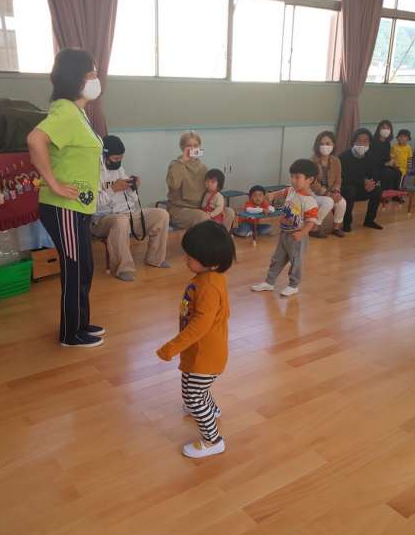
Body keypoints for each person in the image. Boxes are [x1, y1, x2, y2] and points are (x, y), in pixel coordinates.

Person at [27, 48, 104, 348]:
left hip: (78, 206)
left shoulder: (77, 112)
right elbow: (35, 139)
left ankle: (81, 323)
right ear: (76, 78)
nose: (96, 80)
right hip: (64, 208)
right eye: (91, 74)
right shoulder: (65, 111)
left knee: (84, 266)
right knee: (75, 268)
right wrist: (54, 183)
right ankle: (71, 334)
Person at [156, 221, 235, 459]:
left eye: (191, 257)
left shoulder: (209, 286)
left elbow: (200, 325)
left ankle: (213, 441)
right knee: (194, 389)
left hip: (205, 354)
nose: (186, 260)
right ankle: (211, 410)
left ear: (212, 262)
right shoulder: (208, 277)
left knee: (193, 393)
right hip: (199, 351)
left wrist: (171, 347)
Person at [91, 135, 170, 281]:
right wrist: (113, 189)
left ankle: (155, 258)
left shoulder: (119, 169)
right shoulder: (93, 171)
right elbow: (93, 204)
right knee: (121, 220)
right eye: (115, 158)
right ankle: (123, 269)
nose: (118, 161)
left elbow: (131, 201)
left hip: (127, 214)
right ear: (104, 155)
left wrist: (133, 188)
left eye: (121, 158)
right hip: (102, 219)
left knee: (161, 214)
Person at [252, 159, 318, 297]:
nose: (293, 180)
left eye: (297, 177)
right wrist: (272, 195)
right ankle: (269, 282)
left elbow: (311, 221)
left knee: (296, 261)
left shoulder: (309, 201)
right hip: (284, 233)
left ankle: (293, 285)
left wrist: (302, 233)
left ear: (310, 179)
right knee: (277, 259)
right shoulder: (291, 190)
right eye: (292, 176)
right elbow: (282, 192)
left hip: (297, 237)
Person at [166, 131, 234, 231]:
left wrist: (217, 207)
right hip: (180, 210)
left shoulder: (203, 168)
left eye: (195, 145)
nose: (192, 148)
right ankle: (209, 240)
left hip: (202, 208)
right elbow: (174, 185)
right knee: (203, 218)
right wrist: (182, 161)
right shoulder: (175, 165)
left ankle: (220, 239)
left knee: (229, 212)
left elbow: (211, 191)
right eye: (189, 146)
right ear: (182, 147)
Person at [339, 128, 383, 232]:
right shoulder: (343, 157)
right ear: (353, 141)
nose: (362, 144)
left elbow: (375, 173)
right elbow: (344, 177)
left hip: (363, 187)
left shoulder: (371, 156)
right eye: (359, 140)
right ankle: (346, 223)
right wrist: (363, 182)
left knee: (377, 190)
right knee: (350, 190)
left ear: (369, 143)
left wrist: (372, 183)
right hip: (347, 187)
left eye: (365, 141)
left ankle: (369, 220)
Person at [310, 131, 346, 238]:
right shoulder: (312, 161)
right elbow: (313, 183)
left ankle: (336, 228)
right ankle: (314, 228)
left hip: (330, 192)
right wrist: (328, 194)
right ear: (317, 146)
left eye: (328, 143)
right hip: (313, 193)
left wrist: (336, 192)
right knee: (329, 202)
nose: (324, 146)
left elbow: (338, 180)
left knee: (342, 202)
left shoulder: (336, 161)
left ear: (333, 145)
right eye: (322, 144)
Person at [371, 119, 401, 191]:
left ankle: (395, 193)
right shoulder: (373, 142)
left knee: (398, 172)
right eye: (383, 128)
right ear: (379, 129)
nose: (385, 130)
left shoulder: (387, 143)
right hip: (375, 168)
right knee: (388, 173)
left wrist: (392, 162)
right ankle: (384, 193)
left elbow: (387, 158)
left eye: (388, 128)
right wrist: (386, 164)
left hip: (384, 167)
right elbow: (372, 160)